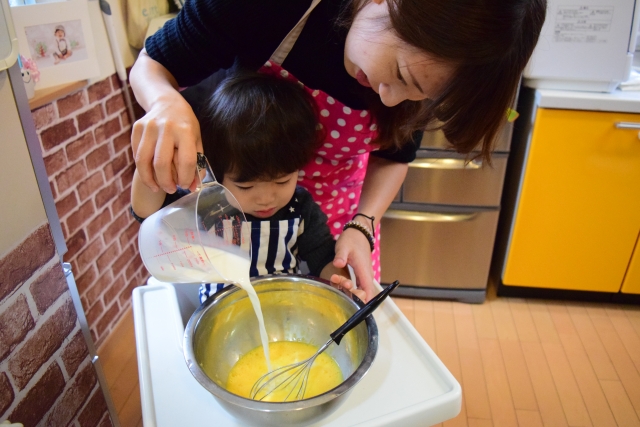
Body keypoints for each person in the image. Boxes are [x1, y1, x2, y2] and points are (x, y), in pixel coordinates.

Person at [129, 0, 547, 301]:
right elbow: (152, 64)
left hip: (340, 214)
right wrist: (166, 104)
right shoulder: (265, 6)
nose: (389, 100)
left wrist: (361, 225)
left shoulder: (405, 91)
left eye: (416, 95)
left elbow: (396, 154)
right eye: (399, 72)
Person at [131, 72, 366, 302]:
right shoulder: (206, 203)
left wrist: (340, 284)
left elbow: (322, 257)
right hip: (222, 317)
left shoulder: (299, 207)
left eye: (282, 181)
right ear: (217, 174)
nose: (265, 198)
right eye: (245, 186)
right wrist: (152, 164)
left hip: (288, 310)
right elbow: (148, 213)